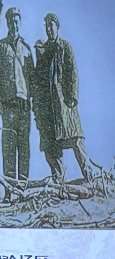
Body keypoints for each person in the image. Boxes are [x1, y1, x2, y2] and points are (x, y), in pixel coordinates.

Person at [33, 12, 89, 182]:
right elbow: (38, 80)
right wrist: (37, 106)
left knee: (75, 139)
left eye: (51, 26)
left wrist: (72, 97)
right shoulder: (43, 50)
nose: (49, 29)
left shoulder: (65, 46)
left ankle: (90, 176)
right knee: (50, 145)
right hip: (48, 108)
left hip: (64, 104)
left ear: (57, 27)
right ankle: (58, 181)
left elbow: (72, 72)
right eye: (46, 26)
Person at [0, 7, 32, 181]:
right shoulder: (1, 47)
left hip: (24, 105)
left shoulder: (26, 49)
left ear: (20, 23)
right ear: (7, 23)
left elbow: (32, 79)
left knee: (24, 146)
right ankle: (10, 188)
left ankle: (23, 186)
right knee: (8, 147)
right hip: (8, 105)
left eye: (16, 21)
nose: (14, 24)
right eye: (11, 21)